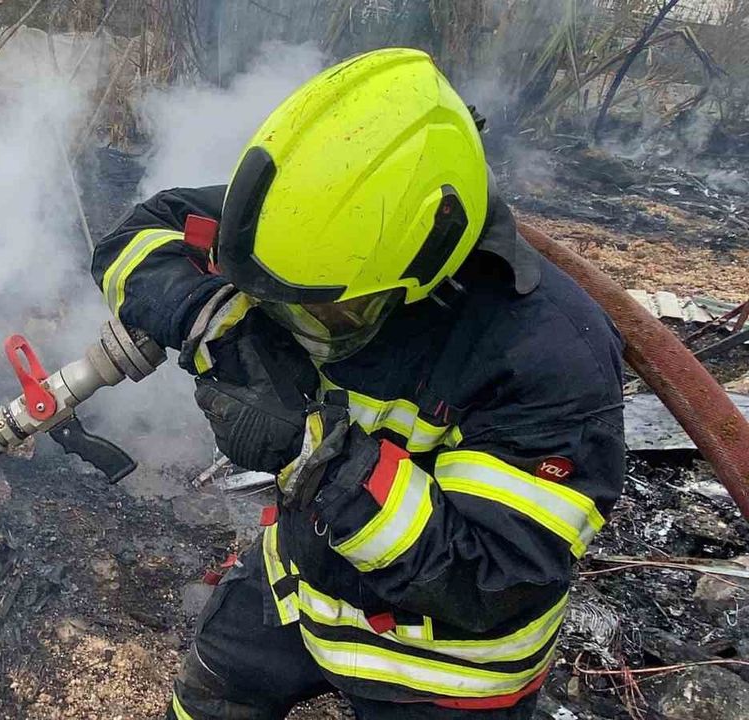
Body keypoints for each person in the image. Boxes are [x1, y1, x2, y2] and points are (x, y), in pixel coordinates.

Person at [90, 48, 625, 719]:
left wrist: (315, 458)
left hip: (442, 665)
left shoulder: (549, 357)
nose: (298, 329)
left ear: (427, 259)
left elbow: (488, 576)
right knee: (210, 698)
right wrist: (219, 326)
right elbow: (136, 239)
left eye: (328, 312)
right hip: (298, 584)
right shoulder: (310, 225)